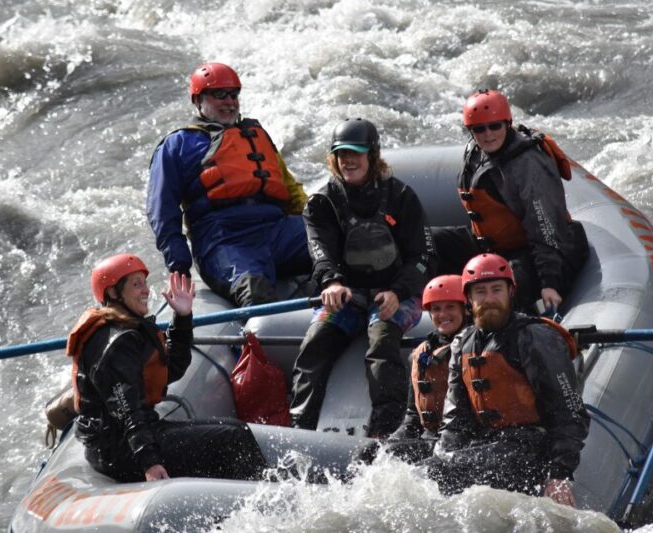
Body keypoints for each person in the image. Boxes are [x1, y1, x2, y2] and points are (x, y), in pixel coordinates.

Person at [289, 118, 436, 438]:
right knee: (314, 344)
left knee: (382, 341)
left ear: (373, 155)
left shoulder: (401, 196)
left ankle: (389, 431)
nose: (348, 160)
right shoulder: (322, 203)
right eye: (341, 154)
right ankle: (301, 428)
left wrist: (398, 290)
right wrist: (331, 282)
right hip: (346, 295)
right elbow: (319, 251)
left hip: (395, 294)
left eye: (356, 152)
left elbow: (423, 257)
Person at [67, 253, 268, 482]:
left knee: (232, 431)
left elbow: (171, 369)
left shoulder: (127, 330)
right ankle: (263, 500)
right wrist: (149, 461)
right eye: (136, 284)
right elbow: (126, 407)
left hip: (130, 438)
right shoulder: (116, 343)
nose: (145, 290)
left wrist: (182, 318)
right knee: (233, 437)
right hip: (119, 449)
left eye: (144, 283)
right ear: (113, 293)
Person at [422, 253, 590, 507]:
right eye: (480, 292)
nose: (489, 299)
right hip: (488, 444)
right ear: (468, 298)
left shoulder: (533, 337)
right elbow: (456, 418)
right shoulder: (463, 343)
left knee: (439, 470)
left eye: (496, 290)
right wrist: (444, 452)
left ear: (510, 292)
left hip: (531, 449)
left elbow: (568, 412)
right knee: (409, 464)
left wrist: (560, 474)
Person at [147, 62, 311, 307]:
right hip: (224, 240)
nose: (229, 102)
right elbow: (162, 210)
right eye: (219, 95)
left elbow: (289, 188)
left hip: (277, 229)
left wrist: (318, 220)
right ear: (197, 100)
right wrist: (178, 265)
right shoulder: (177, 144)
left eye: (234, 95)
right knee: (255, 292)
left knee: (345, 239)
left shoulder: (256, 134)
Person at [433, 89, 588, 312]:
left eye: (495, 126)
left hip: (538, 254)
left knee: (497, 282)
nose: (488, 134)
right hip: (494, 246)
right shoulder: (475, 152)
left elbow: (545, 228)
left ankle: (486, 324)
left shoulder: (528, 165)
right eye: (479, 129)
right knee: (429, 240)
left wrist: (550, 283)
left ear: (508, 123)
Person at [383, 275, 468, 462]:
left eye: (450, 307)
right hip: (431, 439)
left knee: (427, 468)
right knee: (374, 454)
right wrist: (390, 444)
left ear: (465, 309)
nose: (443, 315)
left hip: (466, 444)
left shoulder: (475, 348)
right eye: (436, 309)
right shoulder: (421, 353)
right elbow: (412, 417)